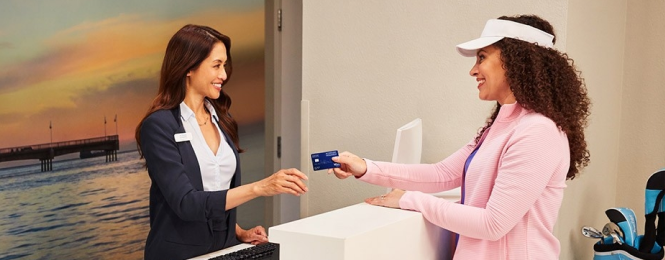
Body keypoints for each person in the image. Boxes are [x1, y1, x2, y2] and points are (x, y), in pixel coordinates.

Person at [330, 15, 590, 259]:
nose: (473, 70)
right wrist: (365, 167)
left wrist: (409, 199)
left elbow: (493, 224)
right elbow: (442, 173)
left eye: (482, 57)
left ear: (515, 60)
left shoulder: (538, 132)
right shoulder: (501, 126)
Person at [135, 24, 308, 260]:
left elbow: (215, 190)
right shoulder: (158, 126)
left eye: (224, 65)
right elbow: (186, 203)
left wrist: (239, 232)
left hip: (225, 250)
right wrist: (259, 188)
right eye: (216, 65)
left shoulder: (222, 119)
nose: (224, 75)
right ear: (189, 67)